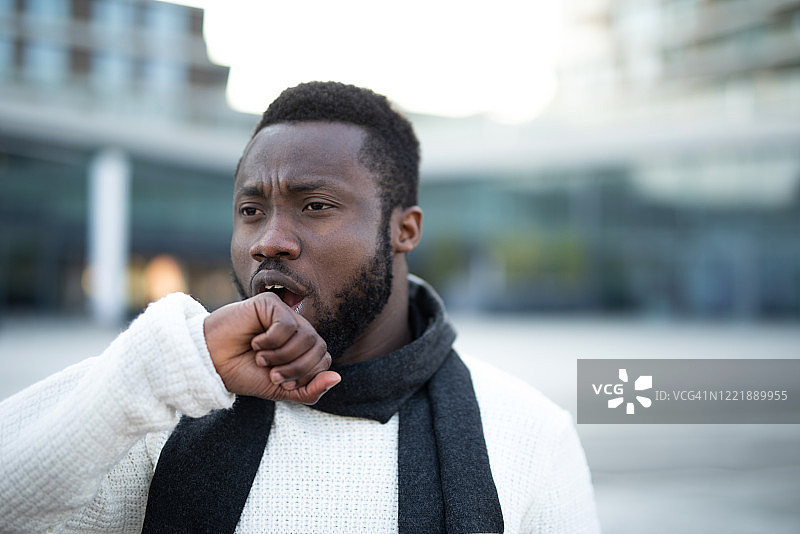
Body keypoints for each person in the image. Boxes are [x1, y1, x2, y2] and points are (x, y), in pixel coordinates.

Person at [0, 82, 600, 533]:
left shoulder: (528, 432)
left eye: (314, 205)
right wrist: (167, 367)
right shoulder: (158, 408)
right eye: (251, 210)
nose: (268, 239)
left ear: (405, 229)